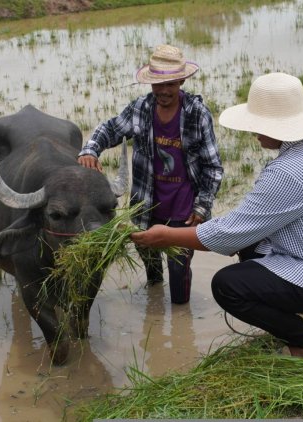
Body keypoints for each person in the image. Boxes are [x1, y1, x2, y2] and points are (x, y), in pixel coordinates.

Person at [130, 72, 303, 359]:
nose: (253, 132)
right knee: (252, 244)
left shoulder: (289, 172)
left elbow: (228, 235)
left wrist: (165, 236)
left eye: (258, 125)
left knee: (228, 286)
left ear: (281, 126)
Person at [78, 44, 223, 305]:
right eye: (158, 84)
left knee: (179, 271)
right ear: (151, 83)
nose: (164, 91)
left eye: (170, 84)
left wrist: (202, 206)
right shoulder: (140, 110)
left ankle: (181, 325)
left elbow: (213, 167)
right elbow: (110, 129)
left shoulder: (196, 114)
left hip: (185, 211)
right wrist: (90, 150)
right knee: (151, 267)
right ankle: (154, 306)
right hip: (145, 206)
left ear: (181, 80)